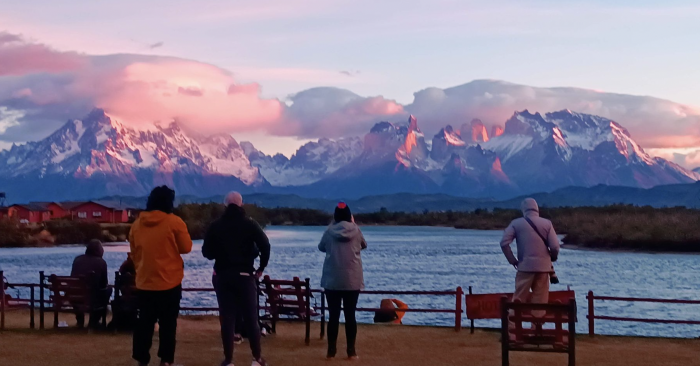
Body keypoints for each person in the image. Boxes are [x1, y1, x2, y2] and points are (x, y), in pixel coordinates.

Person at [203, 191, 270, 366]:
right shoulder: (250, 224)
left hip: (223, 276)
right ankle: (257, 358)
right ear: (241, 204)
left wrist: (220, 253)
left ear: (225, 205)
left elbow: (206, 252)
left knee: (227, 319)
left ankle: (228, 360)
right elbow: (265, 245)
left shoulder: (216, 225)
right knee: (251, 318)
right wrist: (261, 268)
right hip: (246, 276)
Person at [130, 186, 193, 366]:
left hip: (144, 283)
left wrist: (141, 269)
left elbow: (134, 252)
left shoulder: (137, 224)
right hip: (170, 282)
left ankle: (142, 359)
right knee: (168, 324)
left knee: (144, 323)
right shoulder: (175, 222)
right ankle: (166, 360)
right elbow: (186, 248)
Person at [500, 198, 561, 327]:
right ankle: (536, 329)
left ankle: (512, 330)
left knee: (518, 299)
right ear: (537, 208)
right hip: (544, 268)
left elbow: (504, 243)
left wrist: (513, 260)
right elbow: (555, 246)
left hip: (524, 267)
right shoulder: (547, 223)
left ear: (524, 209)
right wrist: (552, 258)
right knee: (540, 301)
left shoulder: (516, 224)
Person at [319, 202, 367, 360]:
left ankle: (331, 351)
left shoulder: (329, 231)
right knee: (350, 315)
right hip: (352, 280)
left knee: (333, 315)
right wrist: (353, 224)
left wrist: (332, 225)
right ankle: (351, 351)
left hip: (332, 279)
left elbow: (321, 247)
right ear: (350, 216)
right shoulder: (356, 230)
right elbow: (364, 245)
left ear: (335, 216)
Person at [70, 239, 111, 329]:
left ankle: (80, 321)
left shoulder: (77, 259)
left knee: (88, 293)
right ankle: (94, 321)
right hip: (92, 298)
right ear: (98, 250)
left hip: (74, 296)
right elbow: (104, 283)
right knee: (108, 290)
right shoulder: (101, 262)